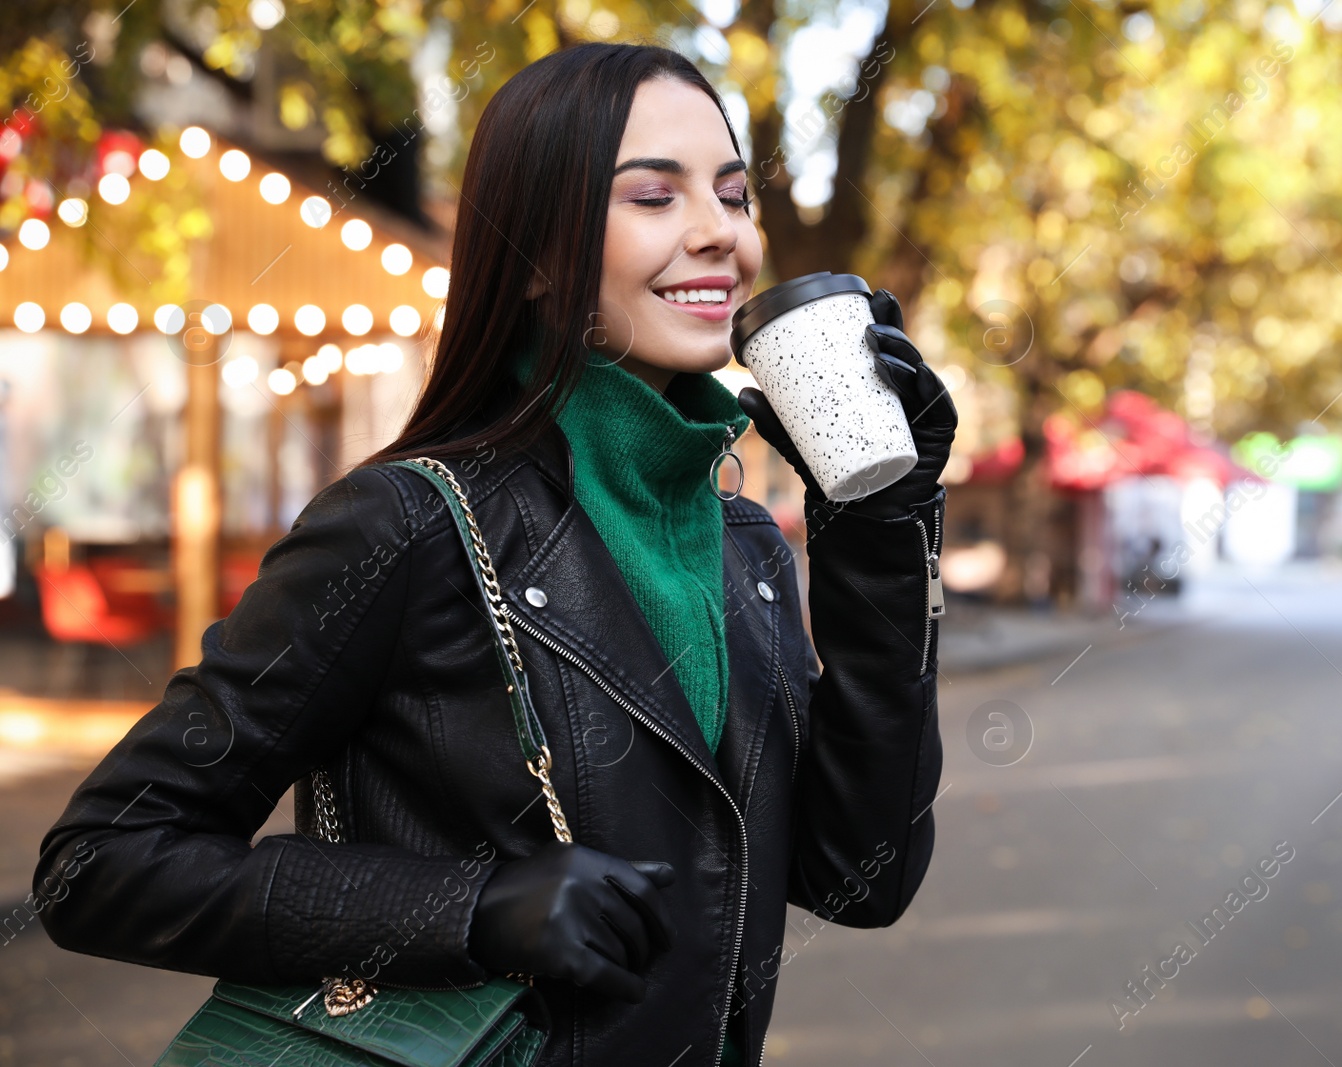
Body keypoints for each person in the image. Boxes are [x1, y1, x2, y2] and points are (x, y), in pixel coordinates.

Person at [33, 41, 955, 1067]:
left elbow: (858, 878)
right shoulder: (405, 523)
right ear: (537, 254)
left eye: (733, 196)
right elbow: (100, 862)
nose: (720, 235)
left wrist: (879, 530)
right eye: (654, 197)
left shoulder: (743, 549)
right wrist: (468, 907)